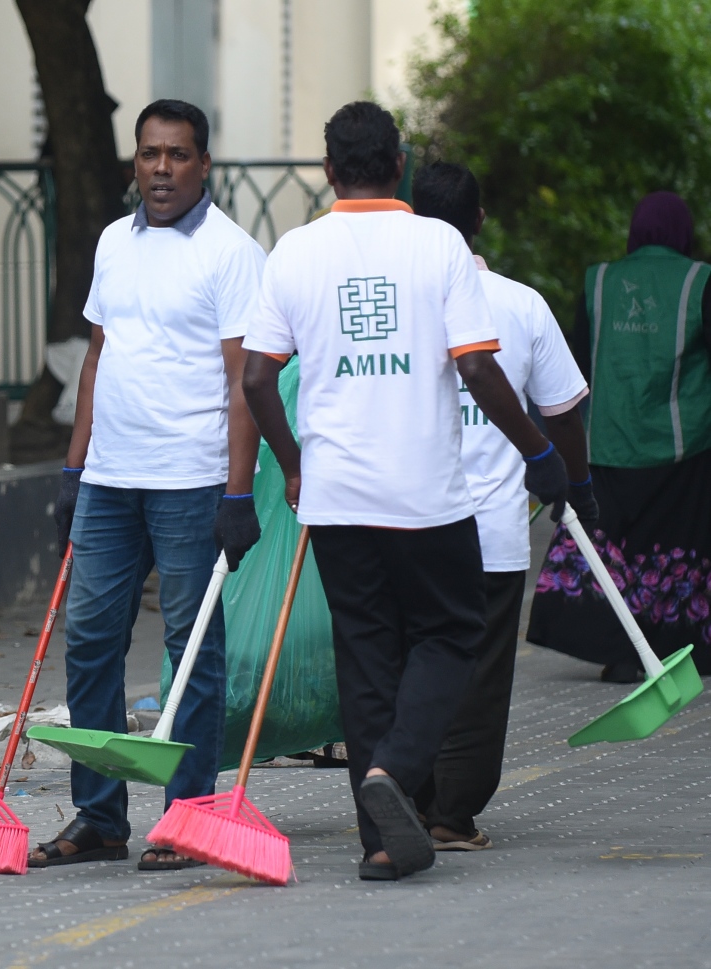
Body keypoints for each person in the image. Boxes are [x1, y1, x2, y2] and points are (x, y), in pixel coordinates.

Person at [241, 102, 575, 881]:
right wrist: (537, 449)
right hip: (426, 495)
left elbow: (256, 378)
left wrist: (293, 464)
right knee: (450, 633)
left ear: (329, 169)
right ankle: (394, 769)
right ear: (400, 165)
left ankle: (382, 842)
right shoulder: (439, 245)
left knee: (366, 656)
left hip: (336, 497)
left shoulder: (294, 251)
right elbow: (477, 365)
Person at [30, 99, 266, 872]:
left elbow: (244, 381)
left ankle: (188, 815)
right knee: (91, 640)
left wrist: (239, 492)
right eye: (149, 154)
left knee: (191, 649)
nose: (161, 168)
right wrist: (74, 468)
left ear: (204, 164)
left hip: (192, 482)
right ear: (135, 161)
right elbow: (98, 357)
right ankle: (100, 815)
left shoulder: (232, 252)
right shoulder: (113, 241)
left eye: (178, 154)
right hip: (109, 481)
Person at [409, 162, 595, 851]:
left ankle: (405, 792)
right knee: (480, 675)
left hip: (403, 524)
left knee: (409, 662)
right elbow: (564, 411)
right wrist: (576, 484)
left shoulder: (393, 304)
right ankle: (452, 814)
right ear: (479, 219)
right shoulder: (521, 305)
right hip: (490, 531)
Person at [529, 191, 711, 682]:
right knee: (676, 549)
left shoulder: (599, 281)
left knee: (616, 550)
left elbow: (579, 364)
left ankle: (621, 654)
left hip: (608, 441)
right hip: (683, 444)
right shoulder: (700, 281)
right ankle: (683, 650)